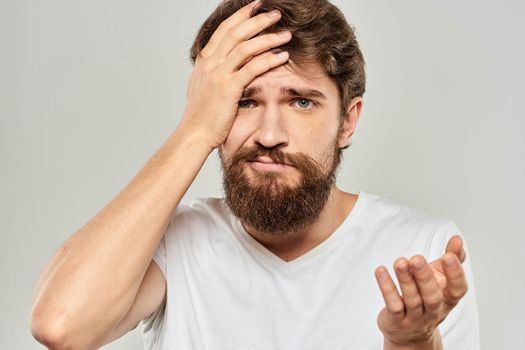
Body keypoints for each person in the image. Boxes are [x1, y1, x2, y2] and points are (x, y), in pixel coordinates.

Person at [29, 0, 479, 349]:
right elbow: (60, 325)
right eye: (244, 101)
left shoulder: (422, 253)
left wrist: (411, 342)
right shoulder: (175, 241)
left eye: (301, 101)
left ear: (347, 121)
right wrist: (195, 129)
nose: (268, 134)